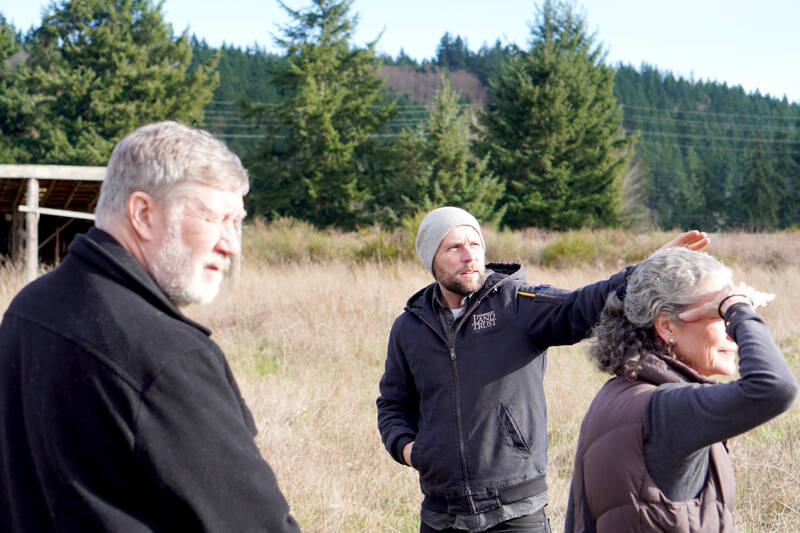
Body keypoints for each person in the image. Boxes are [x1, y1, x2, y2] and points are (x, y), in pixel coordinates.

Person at [0, 121, 300, 532]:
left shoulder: (27, 307)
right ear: (143, 213)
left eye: (237, 222)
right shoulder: (166, 357)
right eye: (214, 218)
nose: (231, 244)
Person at [376, 206, 709, 533]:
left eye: (474, 244)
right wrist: (410, 450)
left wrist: (641, 274)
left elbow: (581, 306)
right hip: (441, 514)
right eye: (455, 247)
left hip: (515, 510)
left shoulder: (516, 304)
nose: (469, 255)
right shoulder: (410, 327)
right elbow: (393, 404)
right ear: (431, 259)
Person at [565, 248, 798, 532]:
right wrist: (740, 308)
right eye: (719, 312)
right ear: (666, 327)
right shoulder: (665, 410)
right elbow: (774, 387)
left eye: (728, 315)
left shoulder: (616, 395)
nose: (731, 330)